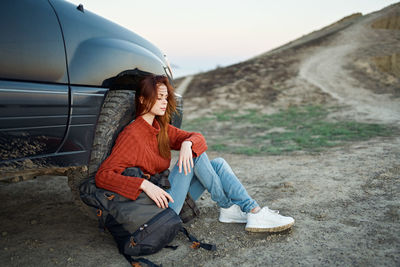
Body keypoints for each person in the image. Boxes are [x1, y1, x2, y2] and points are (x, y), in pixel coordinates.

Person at [95, 74, 294, 232]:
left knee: (217, 163)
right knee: (198, 157)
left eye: (166, 97)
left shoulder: (160, 128)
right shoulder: (132, 134)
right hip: (157, 207)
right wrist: (144, 184)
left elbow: (197, 137)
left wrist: (186, 144)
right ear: (142, 98)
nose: (164, 102)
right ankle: (241, 208)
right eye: (159, 97)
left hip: (171, 195)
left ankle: (243, 210)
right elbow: (103, 176)